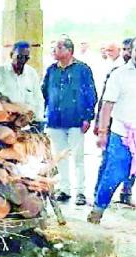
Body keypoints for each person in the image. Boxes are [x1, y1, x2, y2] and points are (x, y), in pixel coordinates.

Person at [42, 37, 97, 206]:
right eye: (53, 48)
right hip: (55, 120)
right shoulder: (51, 70)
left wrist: (88, 117)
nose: (54, 51)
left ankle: (80, 191)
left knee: (78, 157)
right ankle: (64, 189)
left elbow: (91, 94)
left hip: (76, 120)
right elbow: (44, 91)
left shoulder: (82, 69)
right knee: (60, 156)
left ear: (69, 50)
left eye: (58, 48)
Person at [88, 37, 136, 224]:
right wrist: (102, 132)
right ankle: (97, 212)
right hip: (121, 135)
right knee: (113, 176)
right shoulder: (120, 74)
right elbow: (107, 105)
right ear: (131, 51)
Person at [0, 41, 45, 130]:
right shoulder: (0, 72)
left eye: (26, 58)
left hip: (26, 125)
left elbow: (38, 99)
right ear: (12, 54)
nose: (22, 61)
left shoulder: (31, 73)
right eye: (19, 57)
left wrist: (36, 119)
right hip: (4, 125)